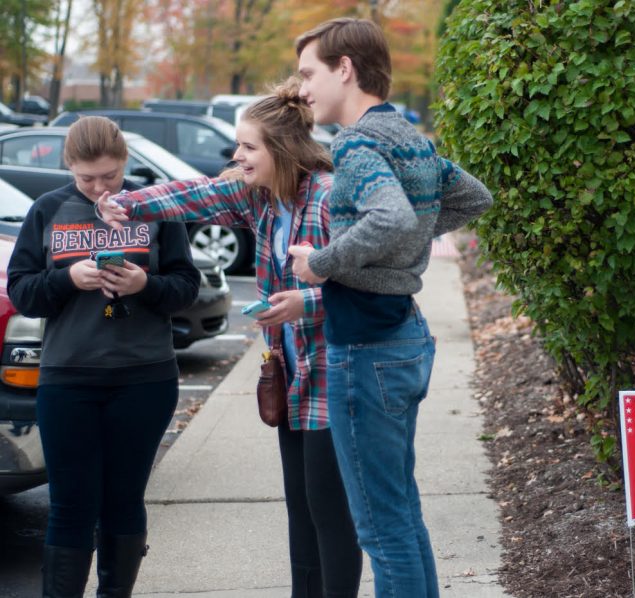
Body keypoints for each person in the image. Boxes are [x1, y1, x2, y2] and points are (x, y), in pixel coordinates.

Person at [97, 78, 362, 598]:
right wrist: (128, 204)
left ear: (280, 150)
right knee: (302, 509)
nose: (236, 154)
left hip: (337, 374)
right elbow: (192, 193)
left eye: (247, 146)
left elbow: (371, 290)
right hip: (291, 375)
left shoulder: (331, 198)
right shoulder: (258, 197)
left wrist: (302, 303)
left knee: (331, 515)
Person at [289, 18, 494, 598]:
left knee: (380, 528)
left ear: (345, 69)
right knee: (399, 513)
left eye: (309, 73)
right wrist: (402, 248)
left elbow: (394, 218)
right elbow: (473, 197)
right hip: (403, 338)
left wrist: (322, 262)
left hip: (367, 347)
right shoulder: (408, 136)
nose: (303, 89)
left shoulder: (355, 143)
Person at [7, 116, 201, 597]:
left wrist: (145, 285)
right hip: (67, 378)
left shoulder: (155, 209)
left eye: (110, 176)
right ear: (68, 166)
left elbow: (186, 289)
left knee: (123, 500)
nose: (98, 188)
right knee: (71, 504)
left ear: (126, 164)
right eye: (86, 178)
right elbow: (22, 292)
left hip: (144, 378)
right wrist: (67, 279)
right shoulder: (47, 211)